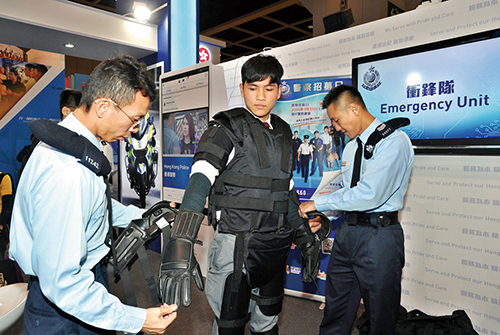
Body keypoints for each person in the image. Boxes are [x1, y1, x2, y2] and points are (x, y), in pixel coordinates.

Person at [9, 55, 177, 335]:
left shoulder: (75, 149)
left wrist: (147, 215)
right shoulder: (68, 171)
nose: (134, 129)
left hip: (80, 289)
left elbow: (94, 206)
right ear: (102, 107)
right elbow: (63, 282)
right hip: (63, 307)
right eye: (134, 119)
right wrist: (138, 320)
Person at [159, 54, 320, 335]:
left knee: (267, 322)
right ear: (243, 88)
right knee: (229, 325)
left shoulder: (283, 131)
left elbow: (286, 189)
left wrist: (304, 236)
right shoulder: (225, 128)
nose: (260, 97)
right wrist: (182, 239)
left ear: (279, 90)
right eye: (253, 88)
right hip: (235, 246)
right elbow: (199, 181)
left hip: (274, 244)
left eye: (269, 89)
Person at [298, 85, 414, 335]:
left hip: (379, 237)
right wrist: (324, 216)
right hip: (348, 234)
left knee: (380, 316)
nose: (336, 127)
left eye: (336, 120)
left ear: (353, 109)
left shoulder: (394, 141)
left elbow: (371, 194)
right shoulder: (351, 148)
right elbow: (348, 196)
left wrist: (318, 204)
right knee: (336, 311)